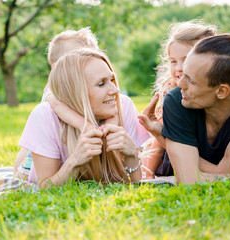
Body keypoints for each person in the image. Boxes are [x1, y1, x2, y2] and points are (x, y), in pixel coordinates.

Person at [140, 34, 230, 184]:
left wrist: (165, 139)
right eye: (183, 75)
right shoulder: (177, 100)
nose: (180, 84)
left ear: (221, 91)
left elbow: (229, 175)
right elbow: (190, 180)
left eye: (191, 80)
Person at [18, 49, 149, 188]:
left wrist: (132, 156)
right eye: (101, 84)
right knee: (21, 167)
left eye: (112, 80)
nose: (115, 90)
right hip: (32, 171)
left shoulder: (124, 106)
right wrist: (74, 161)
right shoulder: (45, 116)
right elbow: (45, 187)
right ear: (76, 92)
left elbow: (134, 183)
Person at [140, 21, 217, 179]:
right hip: (174, 152)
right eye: (173, 61)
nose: (179, 68)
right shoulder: (171, 91)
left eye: (186, 59)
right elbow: (158, 138)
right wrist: (147, 175)